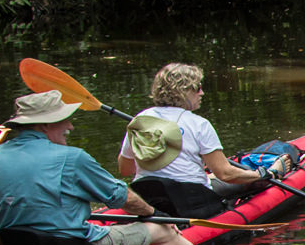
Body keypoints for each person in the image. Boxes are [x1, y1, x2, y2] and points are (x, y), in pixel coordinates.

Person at [0, 90, 205, 245]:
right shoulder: (72, 158)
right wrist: (155, 214)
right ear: (45, 125)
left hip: (15, 242)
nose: (70, 126)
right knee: (163, 231)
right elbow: (121, 197)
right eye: (63, 120)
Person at [117, 63, 291, 216]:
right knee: (252, 181)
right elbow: (226, 174)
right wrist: (264, 174)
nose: (202, 92)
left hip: (149, 200)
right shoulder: (199, 124)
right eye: (197, 87)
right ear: (182, 91)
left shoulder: (140, 120)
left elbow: (125, 169)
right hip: (192, 203)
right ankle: (275, 171)